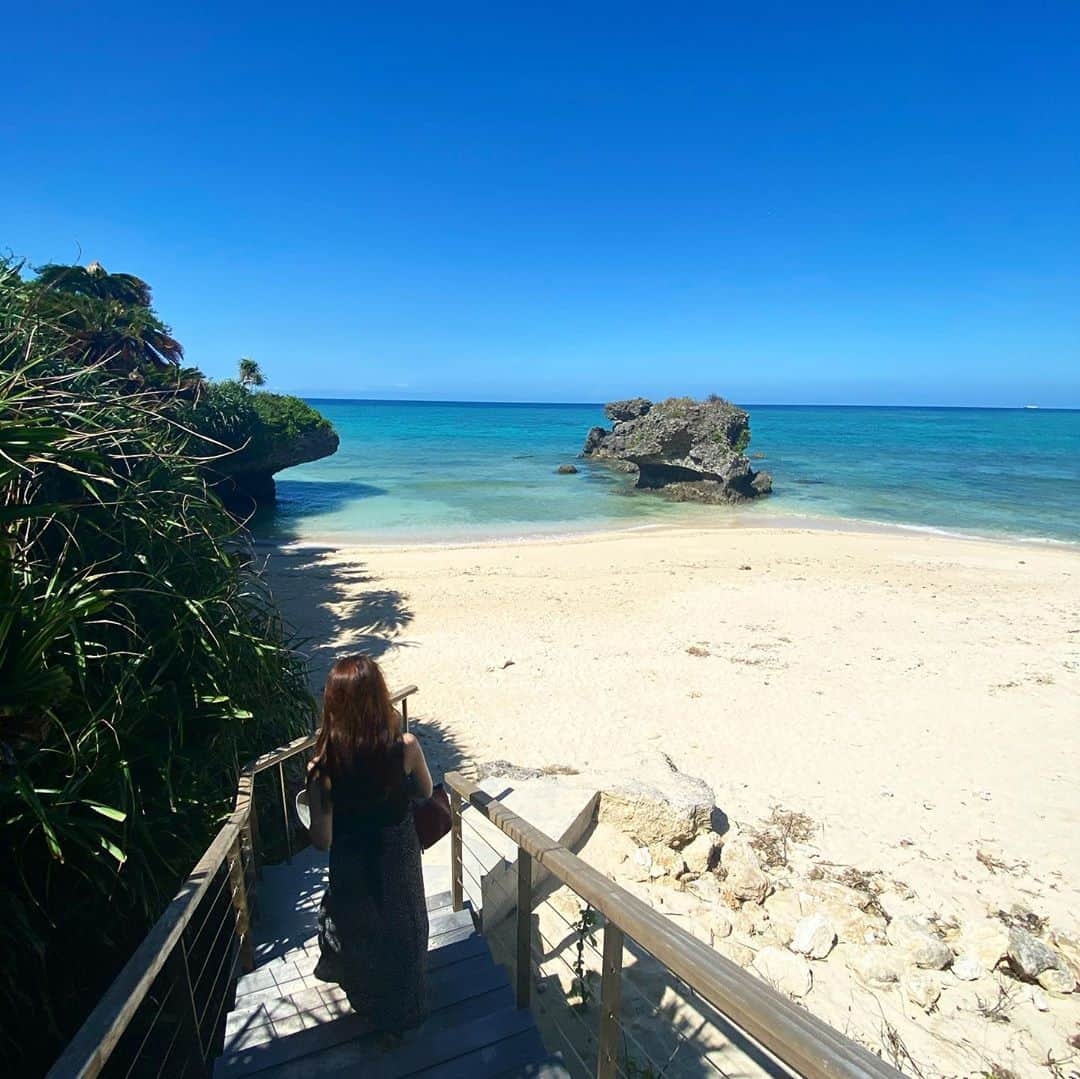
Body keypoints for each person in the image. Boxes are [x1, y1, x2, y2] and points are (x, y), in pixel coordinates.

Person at [306, 654, 433, 1035]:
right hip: (397, 855)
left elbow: (321, 839)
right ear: (381, 697)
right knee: (406, 924)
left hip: (351, 862)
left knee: (361, 932)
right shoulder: (405, 746)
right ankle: (405, 1004)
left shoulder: (322, 767)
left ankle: (370, 1004)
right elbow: (426, 791)